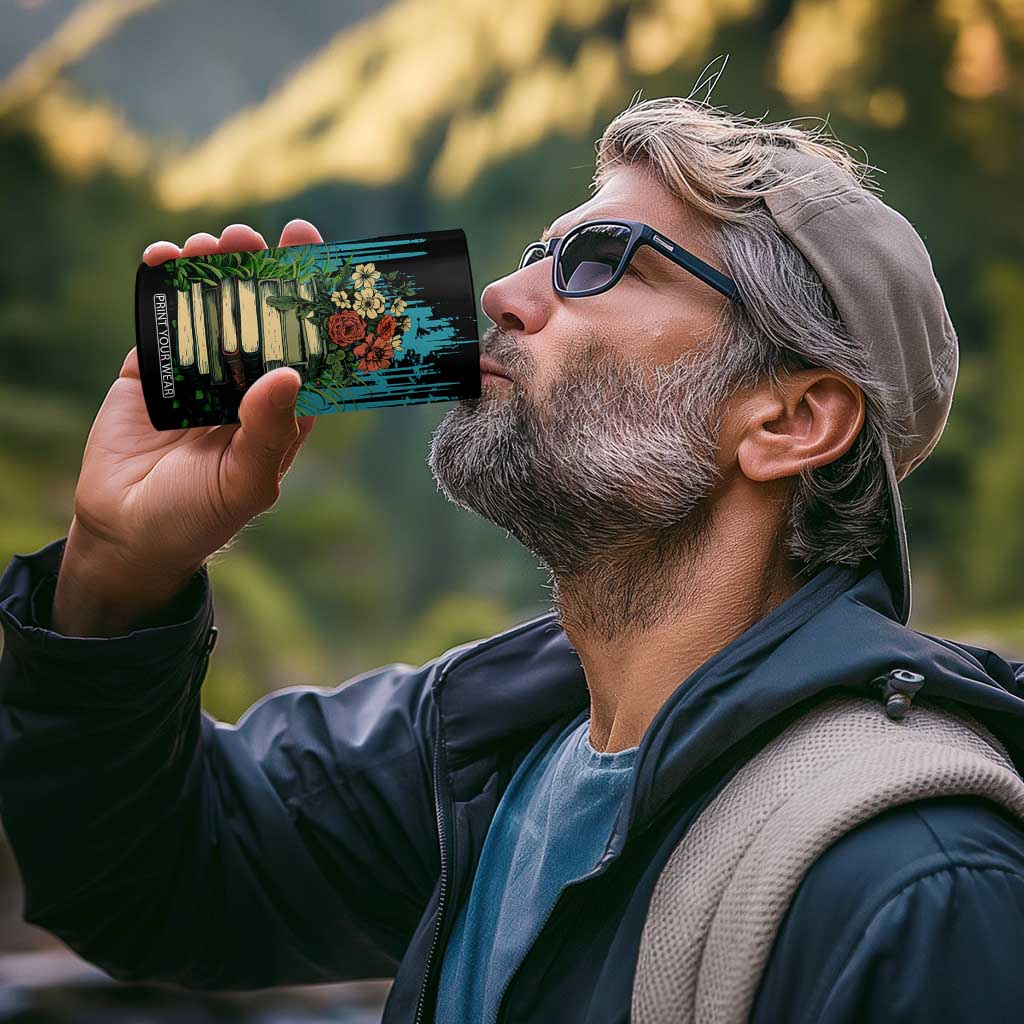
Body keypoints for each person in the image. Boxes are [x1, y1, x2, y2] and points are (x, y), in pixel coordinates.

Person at [2, 95, 1024, 1024]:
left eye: (599, 261)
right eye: (540, 251)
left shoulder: (918, 884)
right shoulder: (480, 748)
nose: (501, 291)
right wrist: (116, 571)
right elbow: (149, 879)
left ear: (791, 419)